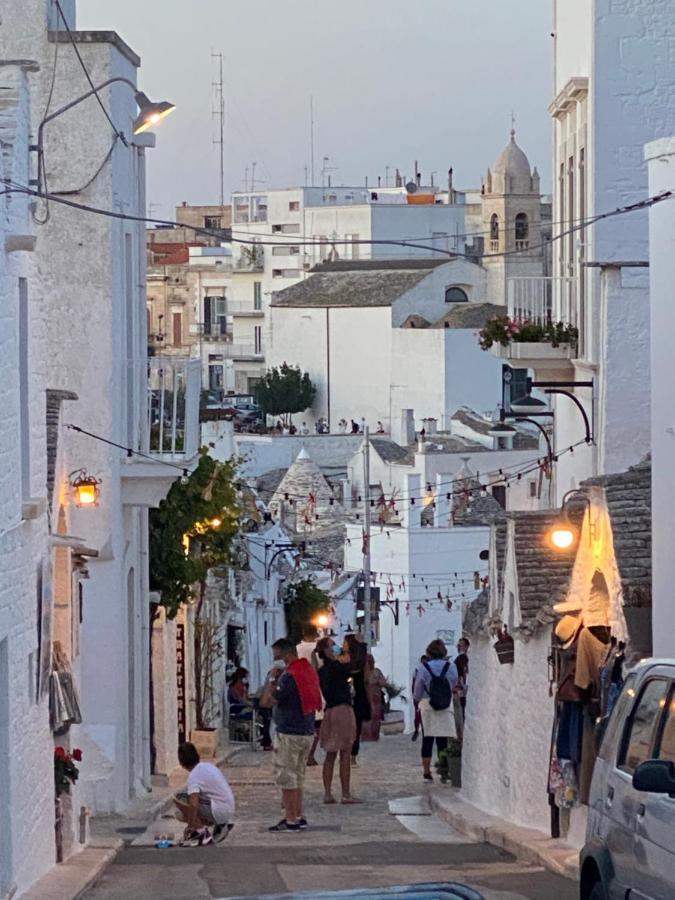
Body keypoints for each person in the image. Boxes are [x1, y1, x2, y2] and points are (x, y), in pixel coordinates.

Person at [268, 638, 322, 832]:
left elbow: (271, 699)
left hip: (289, 732)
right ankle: (299, 815)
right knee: (298, 776)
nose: (275, 659)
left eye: (277, 655)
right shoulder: (307, 670)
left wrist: (273, 679)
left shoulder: (289, 676)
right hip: (307, 730)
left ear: (285, 654)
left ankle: (290, 819)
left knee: (287, 776)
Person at [315, 637, 360, 804]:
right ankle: (345, 794)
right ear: (327, 650)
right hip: (343, 709)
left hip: (329, 711)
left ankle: (327, 793)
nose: (336, 647)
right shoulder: (338, 667)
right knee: (345, 753)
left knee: (330, 754)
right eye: (332, 645)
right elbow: (355, 666)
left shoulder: (322, 671)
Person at [413, 639, 458, 782]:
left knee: (427, 740)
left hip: (427, 705)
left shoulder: (423, 668)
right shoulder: (451, 667)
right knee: (443, 739)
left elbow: (417, 690)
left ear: (429, 653)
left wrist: (417, 699)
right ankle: (444, 770)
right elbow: (454, 683)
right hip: (445, 704)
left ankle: (427, 773)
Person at [173, 742, 235, 846]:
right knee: (183, 809)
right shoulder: (208, 766)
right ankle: (219, 825)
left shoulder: (194, 775)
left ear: (182, 762)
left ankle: (201, 832)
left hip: (219, 810)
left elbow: (193, 804)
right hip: (227, 808)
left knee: (179, 798)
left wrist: (191, 826)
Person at [342, 634, 371, 766]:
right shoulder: (362, 661)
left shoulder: (342, 661)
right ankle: (353, 755)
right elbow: (367, 679)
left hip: (346, 695)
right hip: (359, 693)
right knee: (356, 726)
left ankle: (346, 753)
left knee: (347, 725)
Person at [296, 625, 322, 766]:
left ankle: (301, 755)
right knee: (316, 725)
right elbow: (320, 666)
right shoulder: (317, 649)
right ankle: (310, 755)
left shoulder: (297, 649)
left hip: (299, 688)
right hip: (314, 688)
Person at [360, 654, 386, 742]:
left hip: (376, 697)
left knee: (375, 716)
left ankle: (375, 735)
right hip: (365, 697)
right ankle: (366, 735)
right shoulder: (362, 673)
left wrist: (377, 682)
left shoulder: (377, 672)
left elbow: (383, 682)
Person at [411, 654, 429, 742]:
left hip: (425, 696)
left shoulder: (425, 670)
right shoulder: (418, 670)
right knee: (418, 715)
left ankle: (424, 730)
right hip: (420, 696)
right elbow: (414, 683)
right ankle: (417, 730)